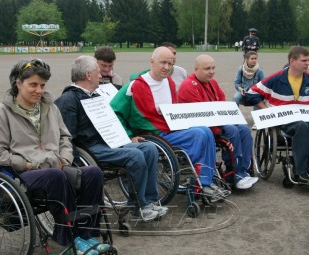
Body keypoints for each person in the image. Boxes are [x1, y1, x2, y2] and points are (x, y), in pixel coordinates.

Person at [0, 58, 110, 255]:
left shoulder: (50, 107)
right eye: (33, 85)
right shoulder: (1, 113)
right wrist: (25, 163)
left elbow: (66, 137)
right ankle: (70, 238)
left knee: (93, 173)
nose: (39, 90)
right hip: (24, 172)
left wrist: (65, 159)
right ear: (18, 83)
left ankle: (86, 235)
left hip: (55, 165)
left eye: (42, 85)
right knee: (55, 176)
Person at [55, 55, 168, 221]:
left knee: (149, 148)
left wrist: (128, 138)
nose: (101, 76)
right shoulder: (68, 100)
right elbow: (68, 137)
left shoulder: (96, 96)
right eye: (98, 73)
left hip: (108, 142)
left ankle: (149, 201)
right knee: (135, 155)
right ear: (88, 75)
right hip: (90, 148)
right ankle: (139, 206)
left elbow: (111, 123)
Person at [110, 47, 230, 201]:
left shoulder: (169, 83)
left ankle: (206, 180)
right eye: (163, 63)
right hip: (152, 134)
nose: (166, 67)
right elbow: (114, 112)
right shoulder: (134, 86)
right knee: (200, 134)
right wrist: (129, 135)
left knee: (205, 131)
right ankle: (202, 181)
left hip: (169, 130)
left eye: (170, 63)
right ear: (152, 62)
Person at [177, 54, 259, 189]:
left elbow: (222, 103)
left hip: (217, 120)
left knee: (244, 129)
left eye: (213, 68)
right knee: (232, 130)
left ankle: (243, 170)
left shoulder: (213, 83)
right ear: (196, 69)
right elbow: (199, 115)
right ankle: (233, 173)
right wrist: (219, 130)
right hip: (201, 126)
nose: (211, 72)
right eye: (207, 68)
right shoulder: (188, 86)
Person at [247, 46, 309, 183]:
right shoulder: (276, 79)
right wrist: (266, 110)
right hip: (284, 122)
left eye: (308, 61)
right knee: (302, 126)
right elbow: (251, 93)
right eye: (304, 60)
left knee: (304, 125)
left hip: (304, 117)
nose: (307, 63)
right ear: (292, 61)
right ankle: (301, 172)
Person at [233, 51, 265, 129]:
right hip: (243, 92)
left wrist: (255, 92)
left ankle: (257, 121)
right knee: (235, 97)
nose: (254, 60)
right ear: (246, 59)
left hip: (255, 93)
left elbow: (264, 85)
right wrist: (241, 89)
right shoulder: (241, 69)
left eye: (255, 58)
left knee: (257, 98)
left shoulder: (260, 70)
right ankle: (234, 119)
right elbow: (237, 83)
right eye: (252, 59)